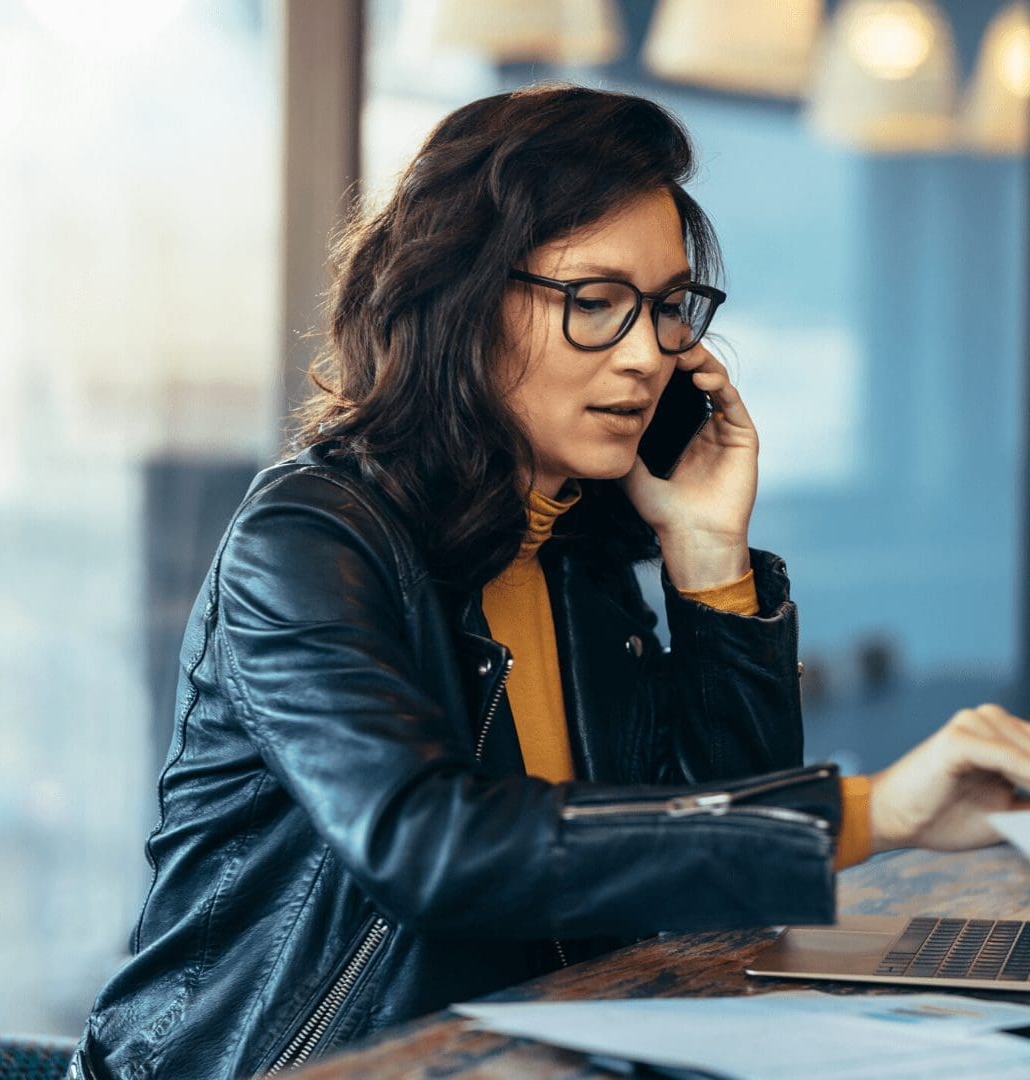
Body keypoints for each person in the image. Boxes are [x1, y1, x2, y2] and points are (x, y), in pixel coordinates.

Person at [70, 86, 1030, 1080]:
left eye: (665, 310)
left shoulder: (577, 552)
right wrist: (865, 811)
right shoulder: (312, 536)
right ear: (465, 296)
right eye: (596, 303)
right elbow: (432, 846)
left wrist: (709, 560)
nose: (647, 355)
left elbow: (720, 885)